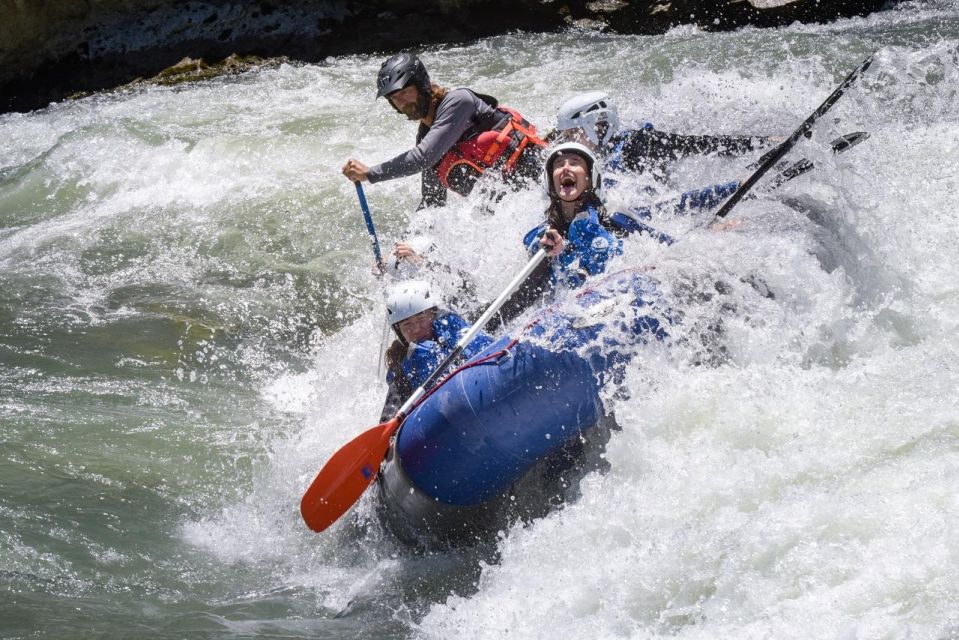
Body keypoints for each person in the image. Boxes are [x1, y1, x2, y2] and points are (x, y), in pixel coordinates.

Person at [342, 52, 545, 210]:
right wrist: (406, 247)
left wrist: (370, 173)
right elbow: (432, 202)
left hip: (542, 181)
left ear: (422, 87)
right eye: (395, 98)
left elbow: (422, 158)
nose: (402, 101)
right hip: (512, 205)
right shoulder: (426, 137)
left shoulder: (459, 101)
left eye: (405, 92)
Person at [554, 91, 774, 181]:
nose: (567, 141)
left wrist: (761, 143)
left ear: (598, 126)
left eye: (572, 133)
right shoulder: (585, 157)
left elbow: (701, 145)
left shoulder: (641, 145)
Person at [379, 280, 494, 421]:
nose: (416, 329)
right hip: (452, 415)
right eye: (407, 324)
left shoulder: (463, 328)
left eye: (421, 318)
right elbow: (390, 414)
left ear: (433, 314)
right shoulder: (403, 369)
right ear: (399, 331)